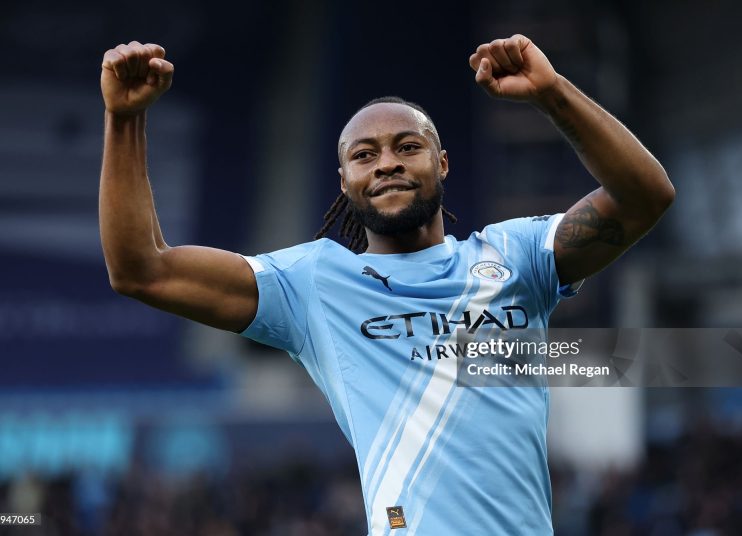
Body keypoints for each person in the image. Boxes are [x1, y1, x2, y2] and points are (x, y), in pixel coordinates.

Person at [99, 35, 674, 535]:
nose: (386, 164)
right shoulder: (314, 284)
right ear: (344, 180)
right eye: (364, 155)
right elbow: (141, 269)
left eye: (407, 146)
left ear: (442, 163)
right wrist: (125, 120)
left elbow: (645, 196)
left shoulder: (517, 257)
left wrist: (552, 94)